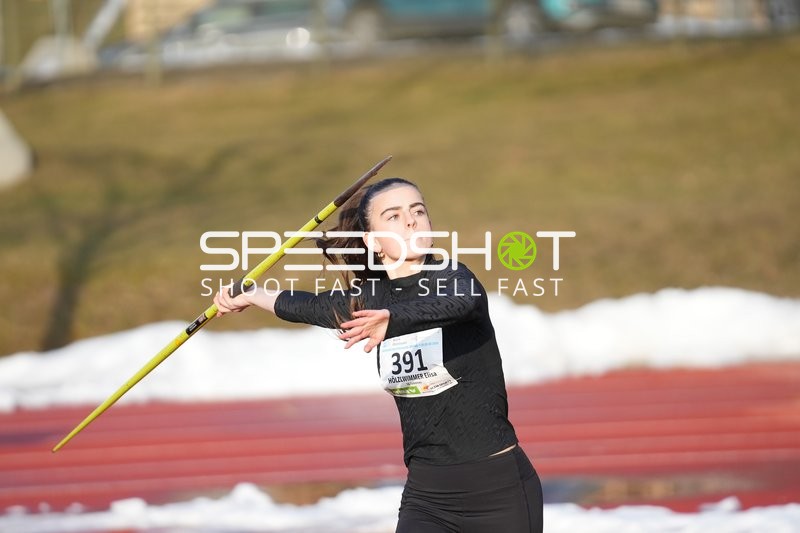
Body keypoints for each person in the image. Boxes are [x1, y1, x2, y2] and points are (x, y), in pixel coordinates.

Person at [213, 178, 543, 532]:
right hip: (428, 498)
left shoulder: (453, 277)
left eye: (418, 211)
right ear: (372, 241)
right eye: (395, 216)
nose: (412, 221)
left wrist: (395, 319)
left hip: (498, 492)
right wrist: (252, 294)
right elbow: (311, 306)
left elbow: (459, 303)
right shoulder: (370, 298)